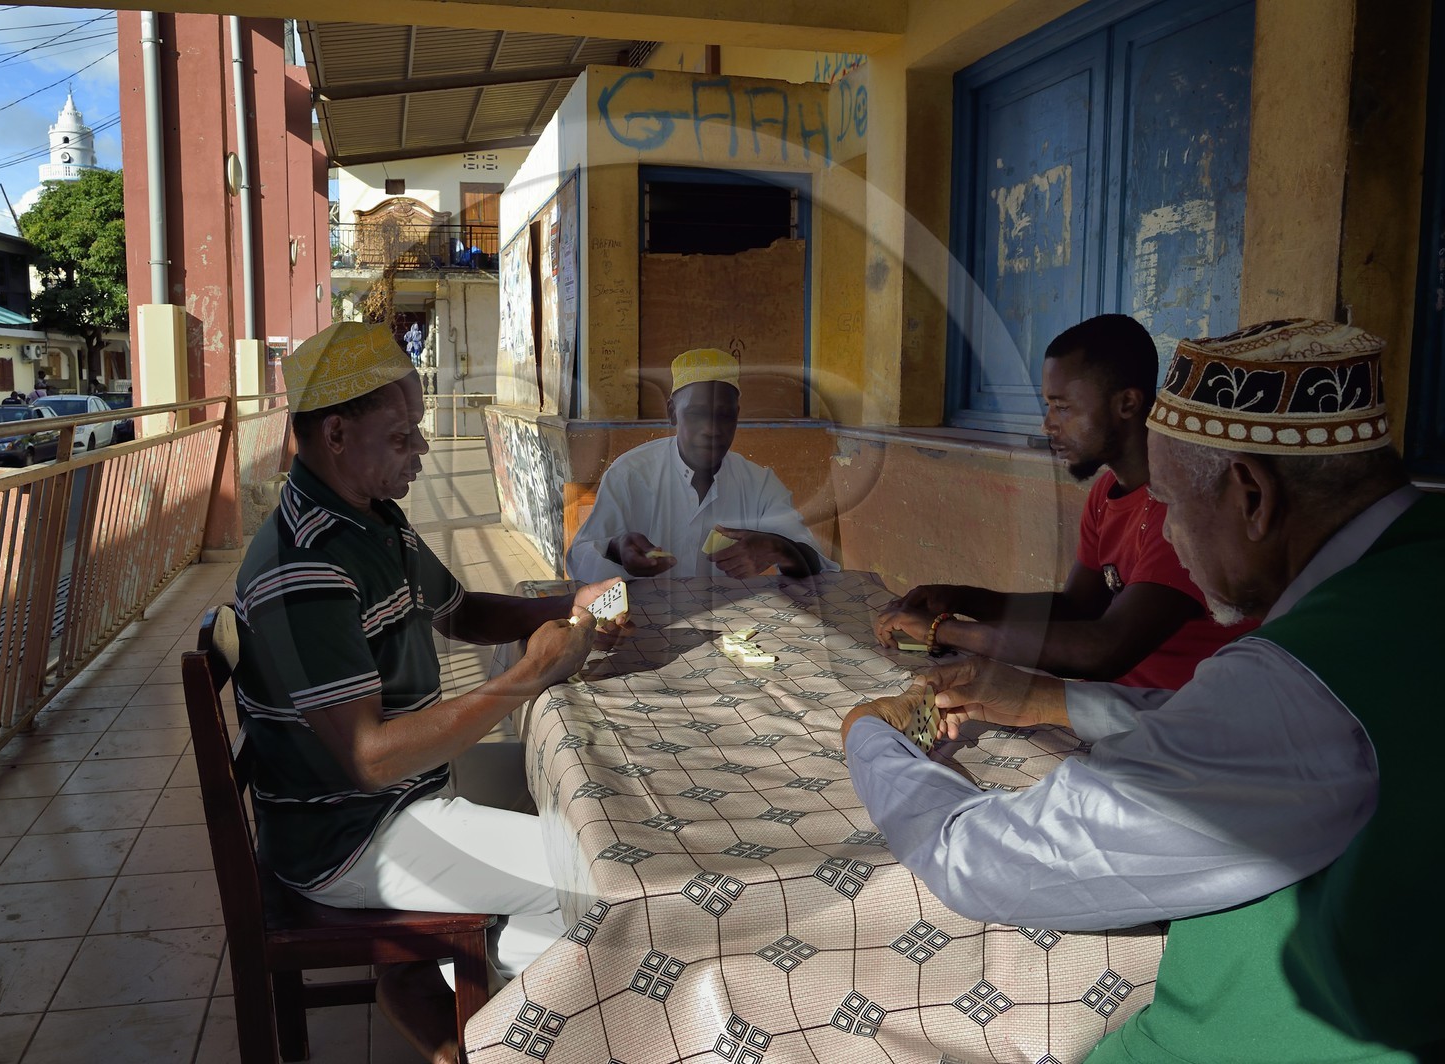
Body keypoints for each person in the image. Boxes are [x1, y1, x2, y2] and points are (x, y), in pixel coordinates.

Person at [843, 318, 1443, 1062]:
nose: (1174, 542)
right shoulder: (1405, 583)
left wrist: (871, 738)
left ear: (1251, 495)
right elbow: (1284, 735)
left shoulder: (1303, 678)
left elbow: (991, 861)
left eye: (1174, 507)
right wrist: (1052, 702)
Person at [233, 321, 629, 1064]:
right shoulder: (304, 565)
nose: (420, 451)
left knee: (586, 794)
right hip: (353, 837)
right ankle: (474, 1014)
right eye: (402, 436)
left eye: (417, 430)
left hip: (400, 796)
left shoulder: (373, 521)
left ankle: (433, 969)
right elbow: (372, 760)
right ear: (338, 434)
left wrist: (572, 604)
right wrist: (531, 673)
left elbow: (463, 613)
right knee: (605, 881)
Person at [875, 314, 1252, 689]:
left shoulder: (1183, 507)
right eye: (1048, 406)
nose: (1048, 424)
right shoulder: (1106, 493)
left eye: (1063, 407)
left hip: (1176, 714)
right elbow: (1076, 608)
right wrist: (958, 599)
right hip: (1115, 701)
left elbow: (1104, 651)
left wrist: (943, 630)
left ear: (1127, 403)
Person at [566, 347, 837, 582]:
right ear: (672, 413)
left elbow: (820, 568)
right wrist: (616, 549)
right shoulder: (630, 475)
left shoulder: (758, 485)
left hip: (731, 632)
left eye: (724, 416)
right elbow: (579, 558)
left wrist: (779, 548)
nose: (712, 429)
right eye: (696, 414)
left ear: (737, 416)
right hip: (643, 626)